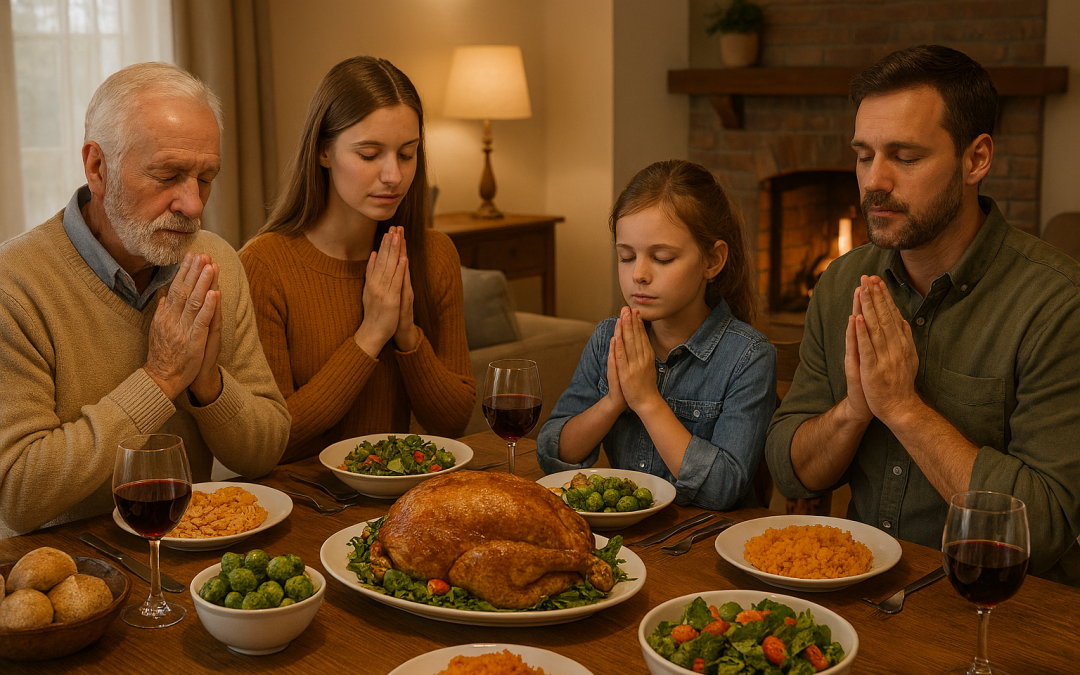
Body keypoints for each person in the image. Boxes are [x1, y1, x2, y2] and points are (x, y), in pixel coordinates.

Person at [766, 45, 1080, 586]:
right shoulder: (843, 282)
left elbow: (1044, 527)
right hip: (859, 587)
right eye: (864, 155)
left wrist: (904, 409)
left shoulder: (1056, 304)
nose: (873, 181)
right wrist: (854, 411)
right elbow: (787, 465)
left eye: (905, 157)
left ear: (975, 159)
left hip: (1001, 606)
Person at [0, 63, 290, 538]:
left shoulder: (215, 261)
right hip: (70, 579)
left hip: (186, 560)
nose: (193, 205)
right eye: (168, 175)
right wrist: (160, 379)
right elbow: (17, 495)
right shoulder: (14, 285)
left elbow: (265, 450)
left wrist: (207, 383)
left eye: (205, 178)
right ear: (98, 167)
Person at [240, 56, 475, 463]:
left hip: (400, 502)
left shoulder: (434, 254)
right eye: (369, 155)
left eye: (407, 154)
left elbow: (453, 423)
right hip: (304, 507)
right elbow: (275, 439)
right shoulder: (265, 265)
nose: (394, 176)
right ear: (323, 152)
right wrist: (371, 334)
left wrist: (406, 334)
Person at [537, 160, 776, 510]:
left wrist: (646, 400)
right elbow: (553, 453)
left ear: (713, 261)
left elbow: (724, 488)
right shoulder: (608, 338)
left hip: (702, 543)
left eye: (662, 258)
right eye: (626, 257)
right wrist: (613, 402)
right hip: (631, 537)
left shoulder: (748, 357)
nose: (639, 274)